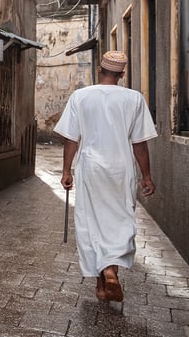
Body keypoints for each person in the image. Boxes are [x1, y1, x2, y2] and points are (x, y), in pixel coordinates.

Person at [53, 50, 157, 302]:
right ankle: (110, 271)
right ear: (122, 74)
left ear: (100, 70)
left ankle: (102, 279)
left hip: (91, 168)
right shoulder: (134, 99)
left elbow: (71, 139)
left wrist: (67, 171)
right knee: (120, 220)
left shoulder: (81, 96)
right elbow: (139, 144)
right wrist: (146, 176)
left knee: (92, 221)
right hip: (121, 169)